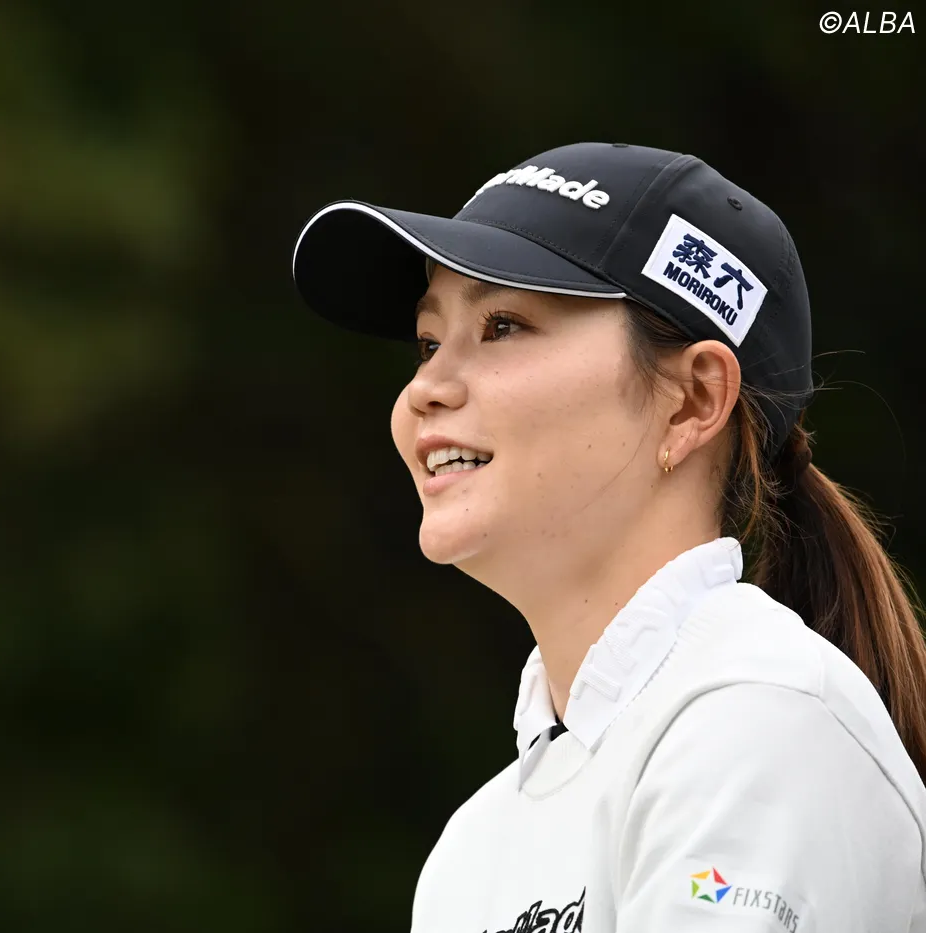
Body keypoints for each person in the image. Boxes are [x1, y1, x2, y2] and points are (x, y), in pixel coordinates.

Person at [290, 142, 926, 932]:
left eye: (502, 325)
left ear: (693, 401)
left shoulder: (762, 721)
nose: (424, 389)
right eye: (427, 343)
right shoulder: (470, 851)